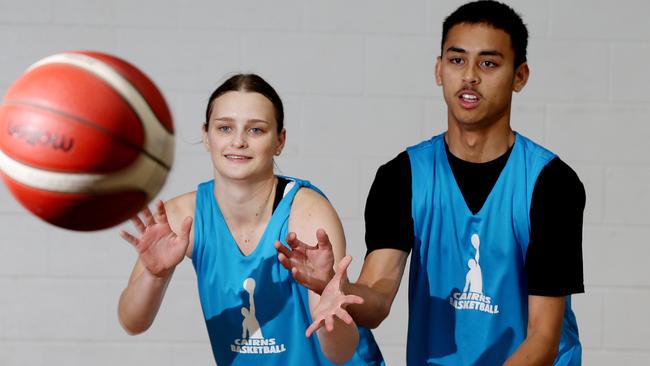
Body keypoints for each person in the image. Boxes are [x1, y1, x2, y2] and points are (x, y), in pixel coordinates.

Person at [275, 1, 585, 365]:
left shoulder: (551, 184)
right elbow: (376, 299)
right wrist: (335, 285)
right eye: (457, 60)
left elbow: (543, 339)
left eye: (488, 63)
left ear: (520, 76)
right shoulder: (401, 176)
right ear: (439, 70)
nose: (469, 76)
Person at [117, 73, 384, 365]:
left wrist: (325, 291)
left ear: (280, 140)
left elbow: (340, 353)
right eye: (225, 128)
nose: (239, 141)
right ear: (206, 136)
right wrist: (155, 277)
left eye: (256, 130)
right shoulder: (182, 217)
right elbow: (133, 322)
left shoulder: (307, 213)